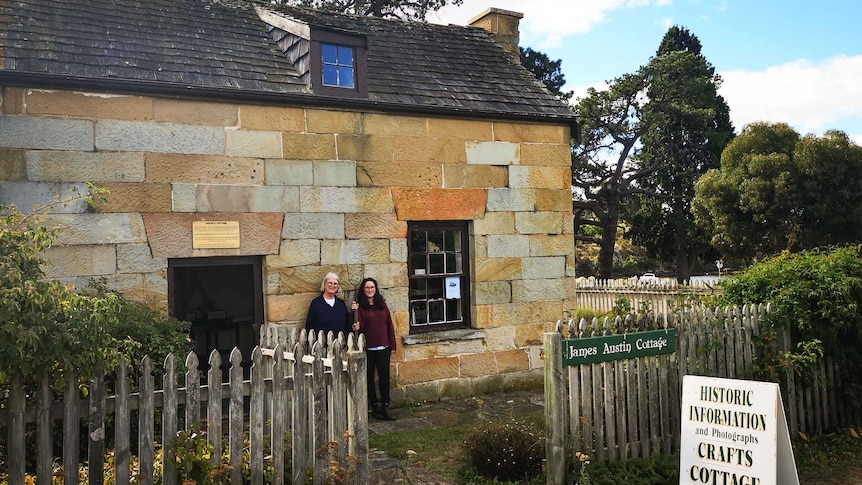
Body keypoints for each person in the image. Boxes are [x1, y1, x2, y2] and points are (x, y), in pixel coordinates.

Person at [353, 277, 397, 421]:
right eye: (367, 287)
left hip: (383, 346)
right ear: (363, 290)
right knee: (369, 378)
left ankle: (386, 405)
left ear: (376, 289)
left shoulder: (382, 305)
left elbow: (389, 324)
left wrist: (392, 344)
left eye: (372, 287)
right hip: (368, 348)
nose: (370, 290)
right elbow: (356, 325)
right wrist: (355, 323)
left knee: (384, 377)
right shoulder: (360, 307)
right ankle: (375, 405)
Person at [305, 272, 356, 338]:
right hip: (322, 345)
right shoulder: (316, 303)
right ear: (324, 285)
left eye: (335, 284)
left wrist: (353, 327)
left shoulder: (341, 304)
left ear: (338, 287)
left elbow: (346, 325)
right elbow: (309, 325)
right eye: (330, 283)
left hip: (339, 344)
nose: (332, 285)